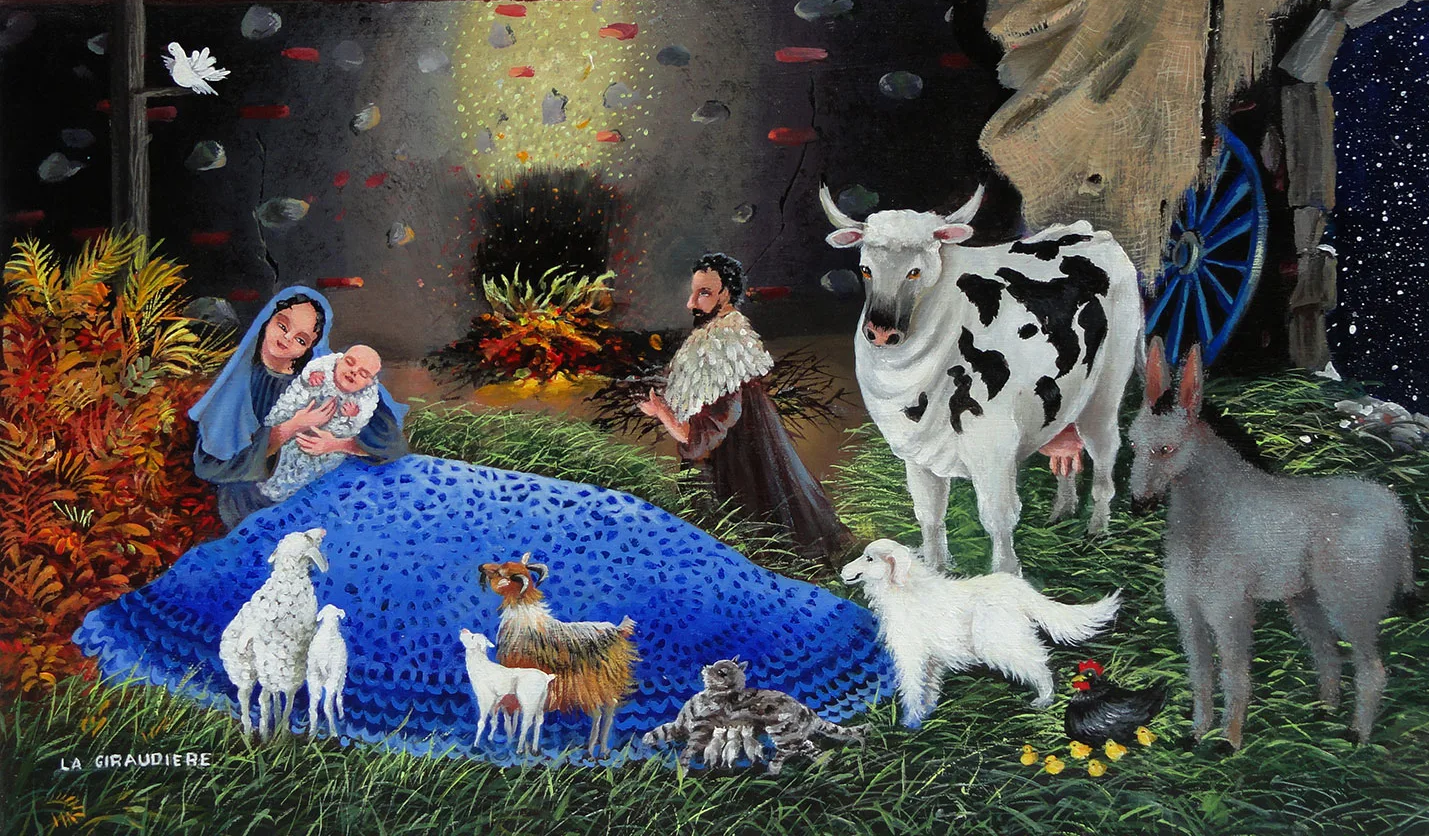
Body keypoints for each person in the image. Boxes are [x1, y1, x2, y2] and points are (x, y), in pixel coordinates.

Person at [74, 285, 894, 762]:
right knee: (449, 572)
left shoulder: (327, 376)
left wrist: (347, 437)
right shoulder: (243, 394)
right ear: (265, 331)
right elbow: (222, 472)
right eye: (285, 332)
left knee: (571, 512)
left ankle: (731, 590)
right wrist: (290, 433)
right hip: (299, 510)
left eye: (306, 335)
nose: (292, 345)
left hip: (366, 476)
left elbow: (389, 438)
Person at [639, 253, 851, 560]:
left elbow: (706, 432)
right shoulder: (711, 338)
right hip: (731, 463)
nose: (690, 303)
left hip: (737, 470)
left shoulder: (724, 345)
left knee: (751, 544)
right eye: (694, 293)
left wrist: (662, 413)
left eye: (704, 293)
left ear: (726, 294)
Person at [190, 288, 408, 529]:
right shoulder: (239, 384)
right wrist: (289, 428)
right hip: (251, 503)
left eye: (301, 339)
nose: (286, 338)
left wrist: (338, 444)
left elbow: (392, 445)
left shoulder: (328, 377)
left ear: (311, 346)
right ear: (267, 321)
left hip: (321, 493)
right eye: (282, 325)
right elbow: (211, 466)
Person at [259, 344, 385, 505]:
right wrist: (311, 378)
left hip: (323, 447)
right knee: (275, 457)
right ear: (338, 361)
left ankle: (286, 493)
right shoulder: (321, 371)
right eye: (349, 362)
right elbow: (298, 392)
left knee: (305, 473)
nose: (353, 371)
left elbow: (354, 428)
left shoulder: (362, 401)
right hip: (294, 427)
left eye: (363, 374)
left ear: (368, 383)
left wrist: (351, 416)